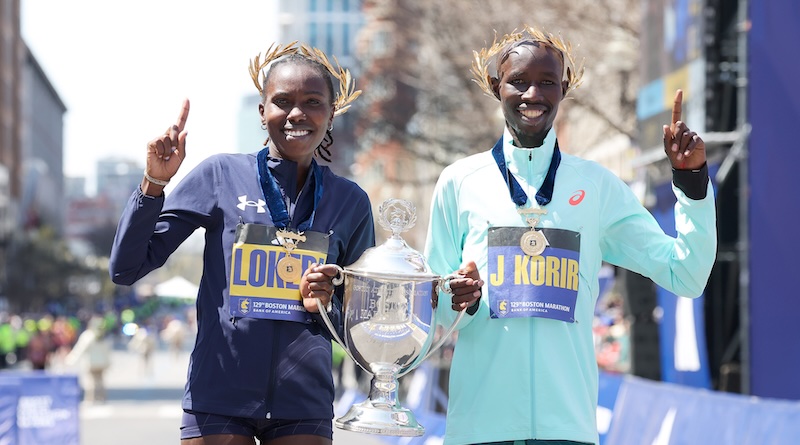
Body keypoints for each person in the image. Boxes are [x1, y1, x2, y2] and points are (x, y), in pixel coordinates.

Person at [424, 25, 716, 445]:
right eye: (518, 82)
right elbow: (433, 308)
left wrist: (690, 183)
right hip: (479, 427)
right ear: (495, 86)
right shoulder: (459, 181)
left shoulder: (596, 185)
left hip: (569, 429)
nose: (532, 95)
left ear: (564, 88)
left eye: (546, 83)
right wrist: (456, 298)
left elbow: (686, 275)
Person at [109, 42, 375, 445]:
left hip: (303, 403)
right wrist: (154, 184)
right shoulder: (220, 175)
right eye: (282, 101)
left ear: (331, 111)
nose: (297, 114)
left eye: (313, 101)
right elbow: (126, 268)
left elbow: (363, 319)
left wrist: (331, 295)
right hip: (219, 397)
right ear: (262, 110)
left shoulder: (350, 200)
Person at [65, 315, 113, 403]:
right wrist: (109, 363)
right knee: (100, 381)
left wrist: (70, 360)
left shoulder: (87, 335)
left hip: (91, 363)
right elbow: (108, 352)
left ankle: (90, 399)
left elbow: (79, 349)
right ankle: (102, 398)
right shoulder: (105, 336)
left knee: (90, 382)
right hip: (102, 363)